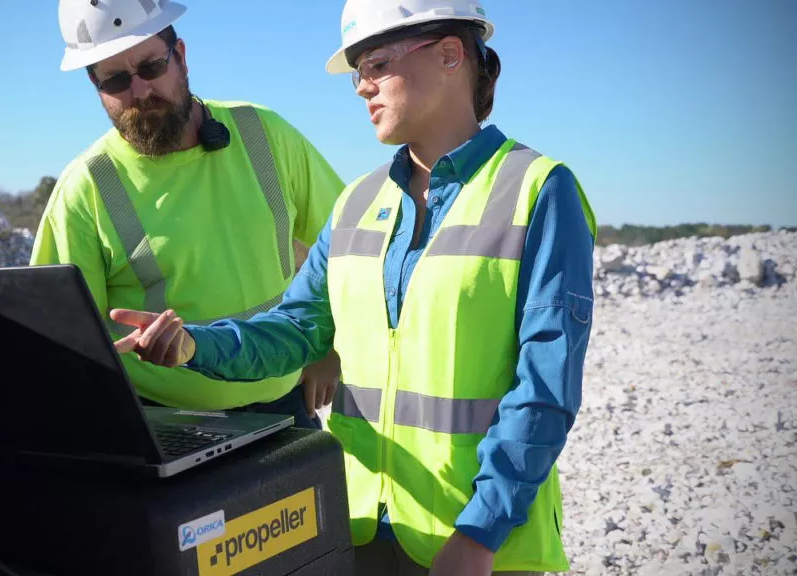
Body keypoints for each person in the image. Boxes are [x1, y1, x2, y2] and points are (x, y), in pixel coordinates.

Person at [110, 0, 598, 574]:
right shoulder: (356, 204)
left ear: (449, 54)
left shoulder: (538, 190)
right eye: (357, 71)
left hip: (477, 543)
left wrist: (480, 533)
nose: (361, 87)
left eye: (375, 65)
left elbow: (544, 388)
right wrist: (194, 345)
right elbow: (294, 331)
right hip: (358, 525)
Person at [30, 0, 346, 429]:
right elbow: (63, 342)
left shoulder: (264, 133)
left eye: (150, 68)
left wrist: (330, 348)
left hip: (284, 407)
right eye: (117, 80)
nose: (139, 91)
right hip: (167, 423)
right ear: (95, 83)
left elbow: (350, 249)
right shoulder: (85, 189)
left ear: (180, 56)